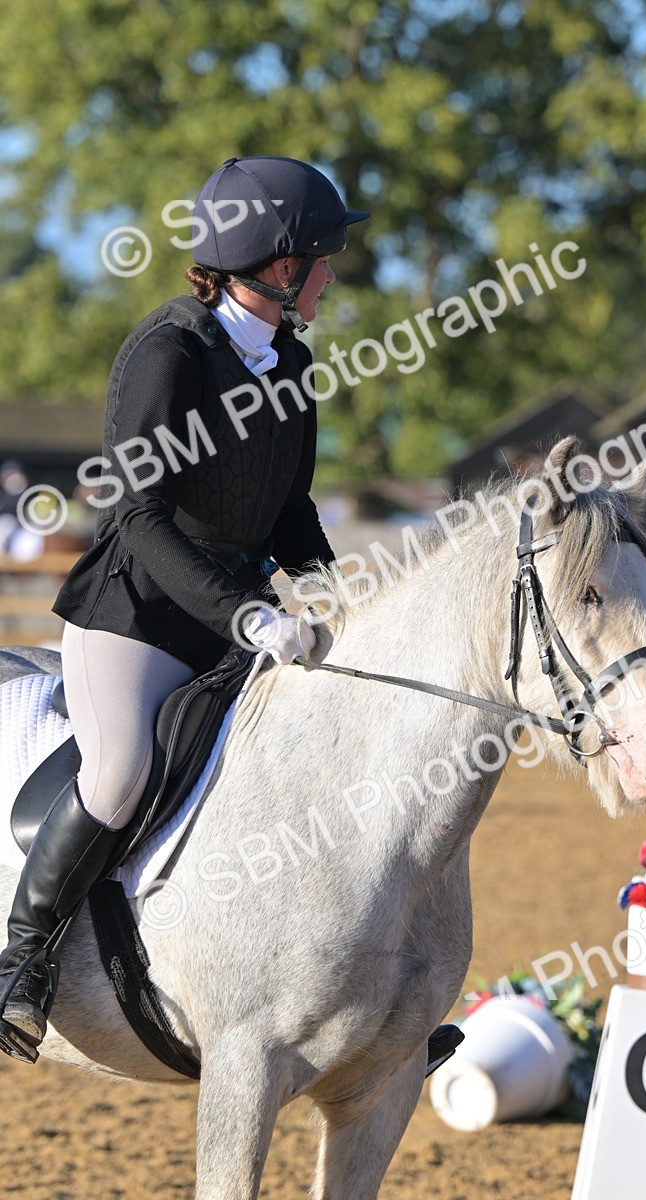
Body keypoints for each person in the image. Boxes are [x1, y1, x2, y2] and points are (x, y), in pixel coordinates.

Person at [0, 156, 369, 1055]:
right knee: (121, 772)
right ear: (279, 265)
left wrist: (332, 588)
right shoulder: (169, 353)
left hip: (239, 619)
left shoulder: (290, 362)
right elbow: (139, 515)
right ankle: (22, 960)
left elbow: (291, 509)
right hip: (138, 617)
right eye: (322, 259)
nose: (330, 274)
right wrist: (245, 614)